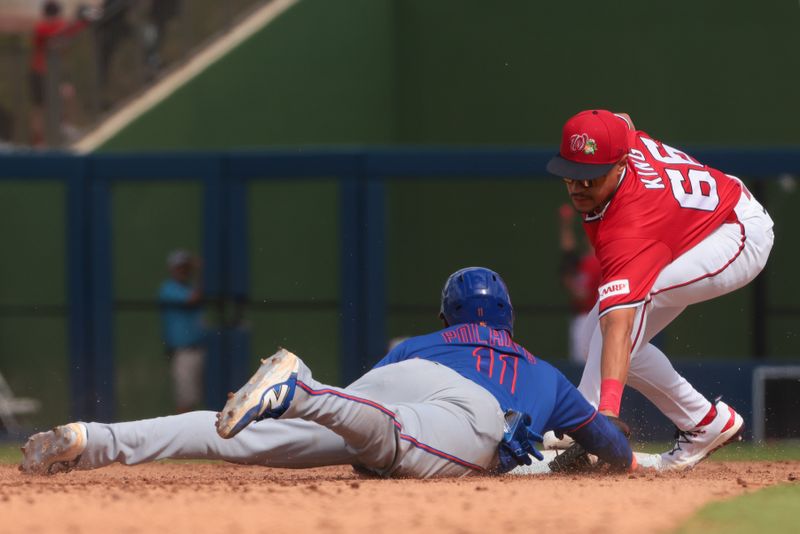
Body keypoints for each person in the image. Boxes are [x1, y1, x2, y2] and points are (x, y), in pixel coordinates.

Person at [21, 267, 635, 478]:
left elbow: (372, 406)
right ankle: (302, 388)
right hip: (462, 414)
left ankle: (92, 440)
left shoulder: (421, 341)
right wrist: (614, 457)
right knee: (396, 437)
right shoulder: (544, 373)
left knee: (229, 431)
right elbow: (608, 443)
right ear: (508, 319)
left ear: (449, 315)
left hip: (393, 383)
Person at [545, 109, 774, 469]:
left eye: (590, 177)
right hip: (691, 219)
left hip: (735, 231)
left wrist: (607, 413)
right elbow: (624, 120)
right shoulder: (621, 139)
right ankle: (704, 422)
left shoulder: (629, 228)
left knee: (625, 315)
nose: (578, 185)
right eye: (571, 174)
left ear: (621, 164)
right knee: (599, 330)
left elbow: (620, 323)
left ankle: (589, 419)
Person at [159, 250, 205, 413]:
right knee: (185, 398)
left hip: (199, 349)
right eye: (180, 268)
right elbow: (193, 298)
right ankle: (183, 436)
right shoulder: (168, 289)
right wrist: (201, 270)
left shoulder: (189, 286)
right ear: (172, 269)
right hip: (182, 351)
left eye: (186, 268)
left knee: (196, 398)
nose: (183, 271)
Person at [557, 203, 602, 364]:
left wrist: (570, 284)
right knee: (582, 365)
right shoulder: (584, 261)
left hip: (592, 318)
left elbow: (583, 295)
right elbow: (568, 251)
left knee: (587, 364)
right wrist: (565, 225)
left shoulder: (597, 262)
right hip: (584, 318)